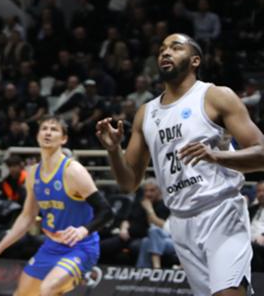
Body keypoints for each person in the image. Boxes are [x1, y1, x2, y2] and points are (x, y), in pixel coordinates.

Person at [97, 33, 264, 295]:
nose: (165, 52)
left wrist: (216, 156)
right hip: (181, 221)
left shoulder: (216, 96)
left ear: (195, 60)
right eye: (162, 49)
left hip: (221, 211)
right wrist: (114, 151)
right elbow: (128, 183)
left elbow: (261, 152)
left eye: (176, 48)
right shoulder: (146, 114)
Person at [0, 117, 113, 295]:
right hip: (52, 246)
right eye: (44, 128)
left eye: (54, 129)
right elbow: (27, 217)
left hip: (81, 247)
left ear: (63, 139)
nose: (48, 132)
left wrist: (83, 230)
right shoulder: (33, 173)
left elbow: (106, 212)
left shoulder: (73, 171)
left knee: (48, 289)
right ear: (37, 135)